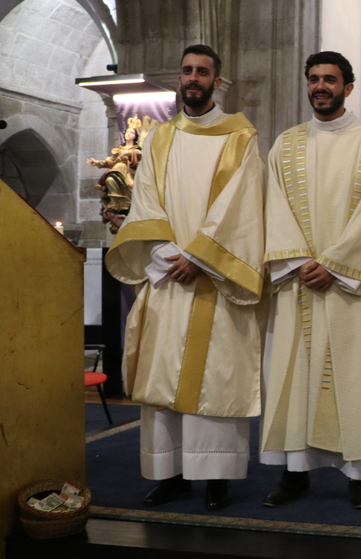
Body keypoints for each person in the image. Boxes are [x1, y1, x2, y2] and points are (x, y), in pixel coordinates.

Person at [105, 45, 265, 511]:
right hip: (168, 275)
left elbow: (242, 206)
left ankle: (216, 476)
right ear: (180, 78)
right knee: (163, 374)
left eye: (203, 72)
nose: (193, 78)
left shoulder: (241, 137)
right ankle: (169, 472)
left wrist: (200, 257)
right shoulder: (160, 138)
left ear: (218, 81)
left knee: (216, 376)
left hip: (214, 279)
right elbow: (147, 201)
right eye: (187, 71)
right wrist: (164, 253)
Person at [259, 51, 361, 509]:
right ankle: (295, 473)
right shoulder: (287, 143)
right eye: (314, 79)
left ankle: (360, 475)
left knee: (355, 378)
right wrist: (299, 261)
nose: (321, 87)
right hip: (298, 282)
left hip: (347, 287)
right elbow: (272, 206)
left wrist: (335, 264)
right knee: (294, 377)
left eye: (330, 80)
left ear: (348, 87)